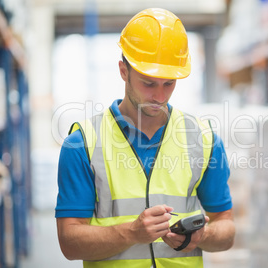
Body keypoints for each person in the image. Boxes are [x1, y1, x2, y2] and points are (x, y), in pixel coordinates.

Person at [55, 8, 235, 268]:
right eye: (149, 83)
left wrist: (203, 235)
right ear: (123, 71)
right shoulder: (82, 143)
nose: (160, 97)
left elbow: (226, 229)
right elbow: (69, 242)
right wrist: (131, 233)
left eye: (169, 83)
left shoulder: (204, 140)